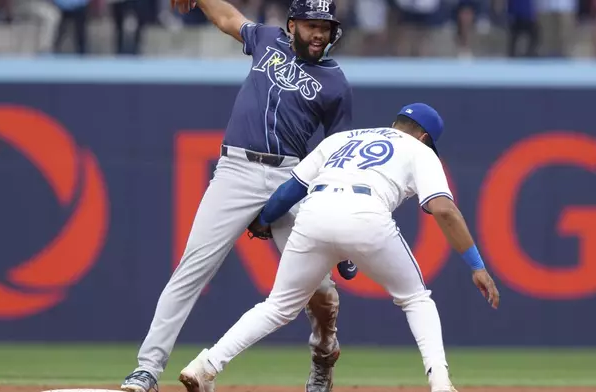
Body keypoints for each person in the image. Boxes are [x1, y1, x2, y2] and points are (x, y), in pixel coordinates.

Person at [177, 103, 500, 392]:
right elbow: (443, 209)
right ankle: (440, 384)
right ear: (426, 137)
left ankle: (206, 365)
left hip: (314, 212)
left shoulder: (341, 139)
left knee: (276, 307)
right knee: (416, 298)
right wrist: (476, 265)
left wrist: (263, 220)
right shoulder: (420, 151)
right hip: (366, 213)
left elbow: (290, 191)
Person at [120, 1, 356, 392]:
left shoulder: (335, 83)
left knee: (319, 289)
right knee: (191, 270)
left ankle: (322, 357)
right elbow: (228, 17)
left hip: (291, 177)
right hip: (236, 170)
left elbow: (338, 157)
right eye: (312, 25)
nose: (319, 34)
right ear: (293, 24)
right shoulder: (267, 40)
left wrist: (340, 225)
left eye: (326, 27)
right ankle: (147, 369)